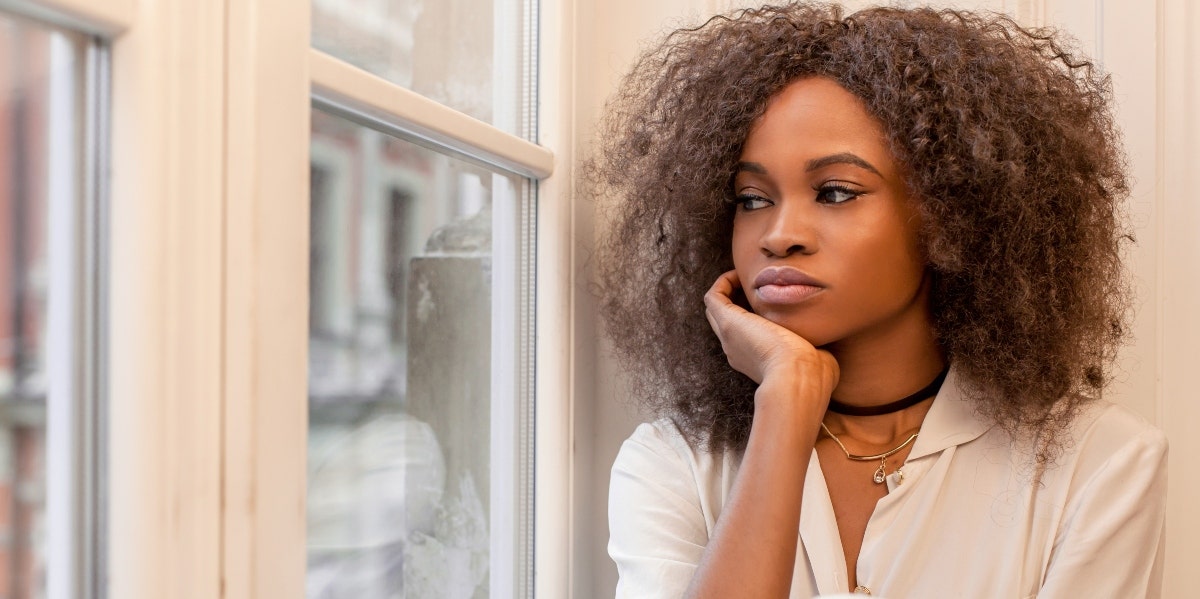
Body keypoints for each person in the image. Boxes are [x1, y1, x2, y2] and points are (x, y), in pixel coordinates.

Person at [590, 3, 1168, 597]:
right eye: (752, 198)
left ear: (949, 218)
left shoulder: (1100, 464)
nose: (778, 233)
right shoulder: (674, 463)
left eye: (836, 191)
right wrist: (786, 402)